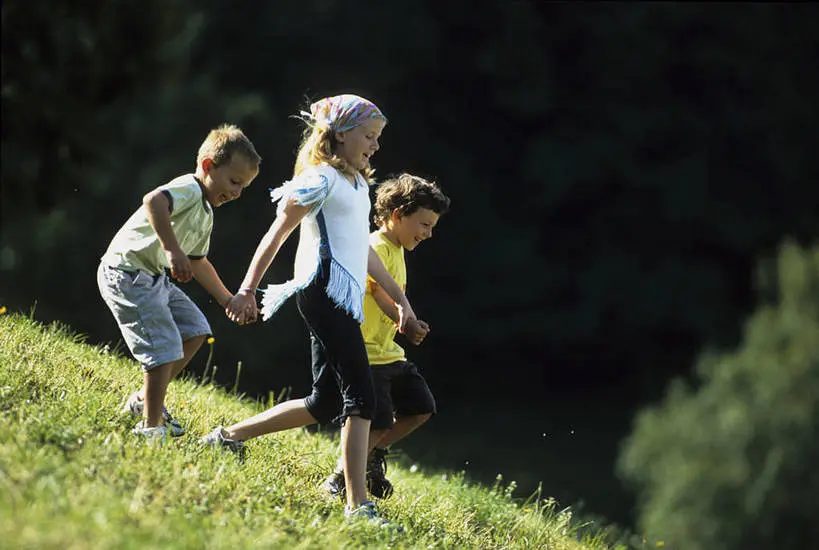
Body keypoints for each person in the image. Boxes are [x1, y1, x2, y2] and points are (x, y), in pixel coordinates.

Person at [202, 94, 416, 524]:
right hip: (322, 292)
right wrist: (247, 289)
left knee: (325, 401)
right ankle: (358, 505)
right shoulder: (321, 178)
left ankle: (227, 436)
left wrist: (401, 304)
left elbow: (365, 255)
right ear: (339, 134)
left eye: (378, 139)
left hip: (344, 298)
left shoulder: (357, 184)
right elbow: (277, 234)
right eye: (368, 136)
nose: (375, 146)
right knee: (363, 396)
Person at [97, 124, 261, 439]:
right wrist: (172, 251)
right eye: (234, 181)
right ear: (208, 166)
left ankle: (144, 402)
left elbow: (198, 261)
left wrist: (229, 299)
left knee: (195, 330)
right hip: (128, 273)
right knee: (164, 348)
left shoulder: (206, 214)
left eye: (244, 187)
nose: (237, 193)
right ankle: (151, 426)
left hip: (153, 277)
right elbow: (154, 201)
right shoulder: (190, 187)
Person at [323, 173, 450, 500]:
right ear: (397, 216)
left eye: (433, 226)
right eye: (424, 225)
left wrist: (407, 324)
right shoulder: (375, 246)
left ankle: (373, 454)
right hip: (366, 351)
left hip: (387, 351)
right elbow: (379, 294)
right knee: (375, 420)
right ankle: (342, 476)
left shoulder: (398, 248)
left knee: (421, 407)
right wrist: (405, 322)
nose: (429, 234)